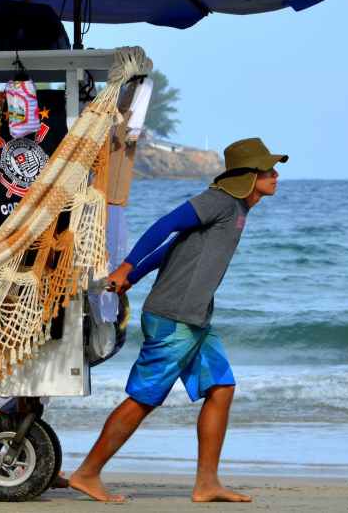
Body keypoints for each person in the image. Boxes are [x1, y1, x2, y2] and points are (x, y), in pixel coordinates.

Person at [69, 138, 287, 504]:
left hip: (196, 318)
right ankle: (87, 473)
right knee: (144, 398)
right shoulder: (218, 200)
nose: (275, 175)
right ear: (248, 177)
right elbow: (165, 225)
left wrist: (132, 278)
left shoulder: (237, 209)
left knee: (221, 388)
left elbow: (173, 249)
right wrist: (125, 266)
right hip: (175, 317)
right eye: (267, 170)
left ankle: (207, 483)